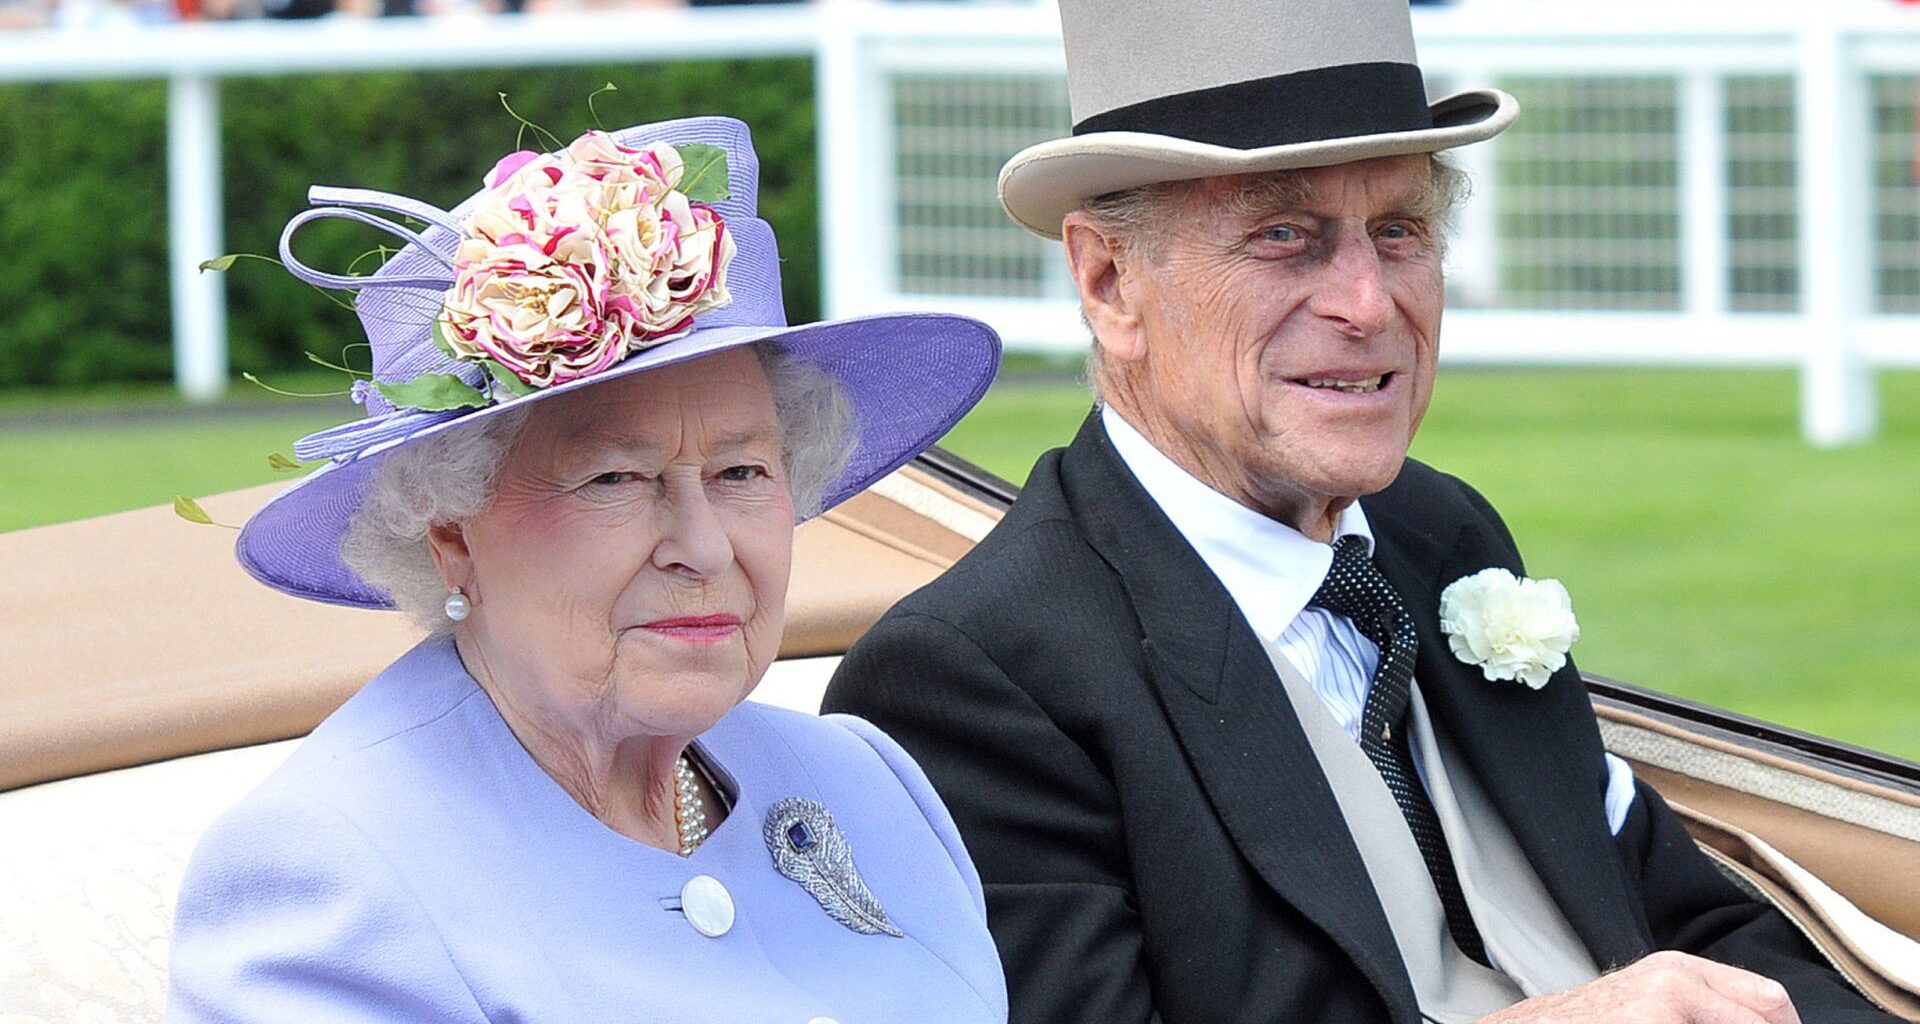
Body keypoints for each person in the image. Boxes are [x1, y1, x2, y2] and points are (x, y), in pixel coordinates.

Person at [823, 2, 1898, 1022]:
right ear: (1108, 282)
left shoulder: (1440, 538)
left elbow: (1682, 913)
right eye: (1286, 235)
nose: (1369, 303)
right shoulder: (978, 681)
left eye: (1397, 230)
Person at [167, 115, 1007, 1023]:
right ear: (451, 530)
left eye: (741, 472)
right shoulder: (328, 870)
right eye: (616, 478)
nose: (705, 545)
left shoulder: (865, 778)